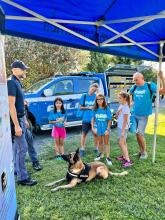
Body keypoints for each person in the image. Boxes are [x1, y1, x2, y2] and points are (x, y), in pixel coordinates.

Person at [7, 60, 37, 186]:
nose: (25, 71)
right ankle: (22, 178)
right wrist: (17, 125)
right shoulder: (11, 82)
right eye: (23, 69)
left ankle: (17, 171)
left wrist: (23, 107)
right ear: (14, 69)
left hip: (21, 118)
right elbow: (11, 106)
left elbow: (17, 103)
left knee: (18, 148)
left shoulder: (17, 82)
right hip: (16, 121)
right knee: (22, 148)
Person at [129, 71, 163, 159]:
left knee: (140, 134)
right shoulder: (135, 87)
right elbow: (129, 93)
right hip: (134, 114)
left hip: (143, 115)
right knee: (137, 134)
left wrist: (162, 77)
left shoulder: (149, 85)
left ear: (142, 78)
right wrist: (130, 101)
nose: (135, 82)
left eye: (137, 80)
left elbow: (163, 91)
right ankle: (140, 151)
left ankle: (144, 153)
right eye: (134, 80)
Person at [91, 94, 112, 166]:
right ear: (96, 100)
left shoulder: (106, 108)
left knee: (106, 143)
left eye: (101, 99)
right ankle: (101, 154)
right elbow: (93, 118)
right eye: (98, 99)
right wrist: (93, 127)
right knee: (100, 142)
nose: (99, 101)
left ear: (103, 100)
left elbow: (109, 120)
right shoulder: (95, 109)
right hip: (98, 128)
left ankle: (108, 157)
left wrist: (108, 129)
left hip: (105, 128)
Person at [79, 83, 99, 157]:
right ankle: (82, 149)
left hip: (94, 119)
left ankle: (96, 148)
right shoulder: (84, 96)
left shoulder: (96, 96)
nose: (92, 91)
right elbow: (80, 107)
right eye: (92, 89)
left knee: (95, 134)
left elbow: (100, 104)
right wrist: (88, 107)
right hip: (86, 119)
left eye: (94, 90)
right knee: (84, 134)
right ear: (89, 88)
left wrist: (98, 92)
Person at [116, 92, 133, 168]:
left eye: (120, 98)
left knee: (121, 143)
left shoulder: (126, 107)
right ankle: (124, 156)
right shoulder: (121, 105)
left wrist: (123, 131)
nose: (118, 99)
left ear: (124, 98)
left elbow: (125, 121)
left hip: (123, 127)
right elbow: (117, 115)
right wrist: (118, 112)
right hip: (120, 126)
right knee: (123, 143)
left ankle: (128, 161)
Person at [24, 102, 42, 171]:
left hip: (28, 130)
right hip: (17, 131)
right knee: (20, 150)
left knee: (31, 147)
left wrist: (33, 126)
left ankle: (35, 162)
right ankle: (19, 167)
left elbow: (32, 118)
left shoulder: (26, 111)